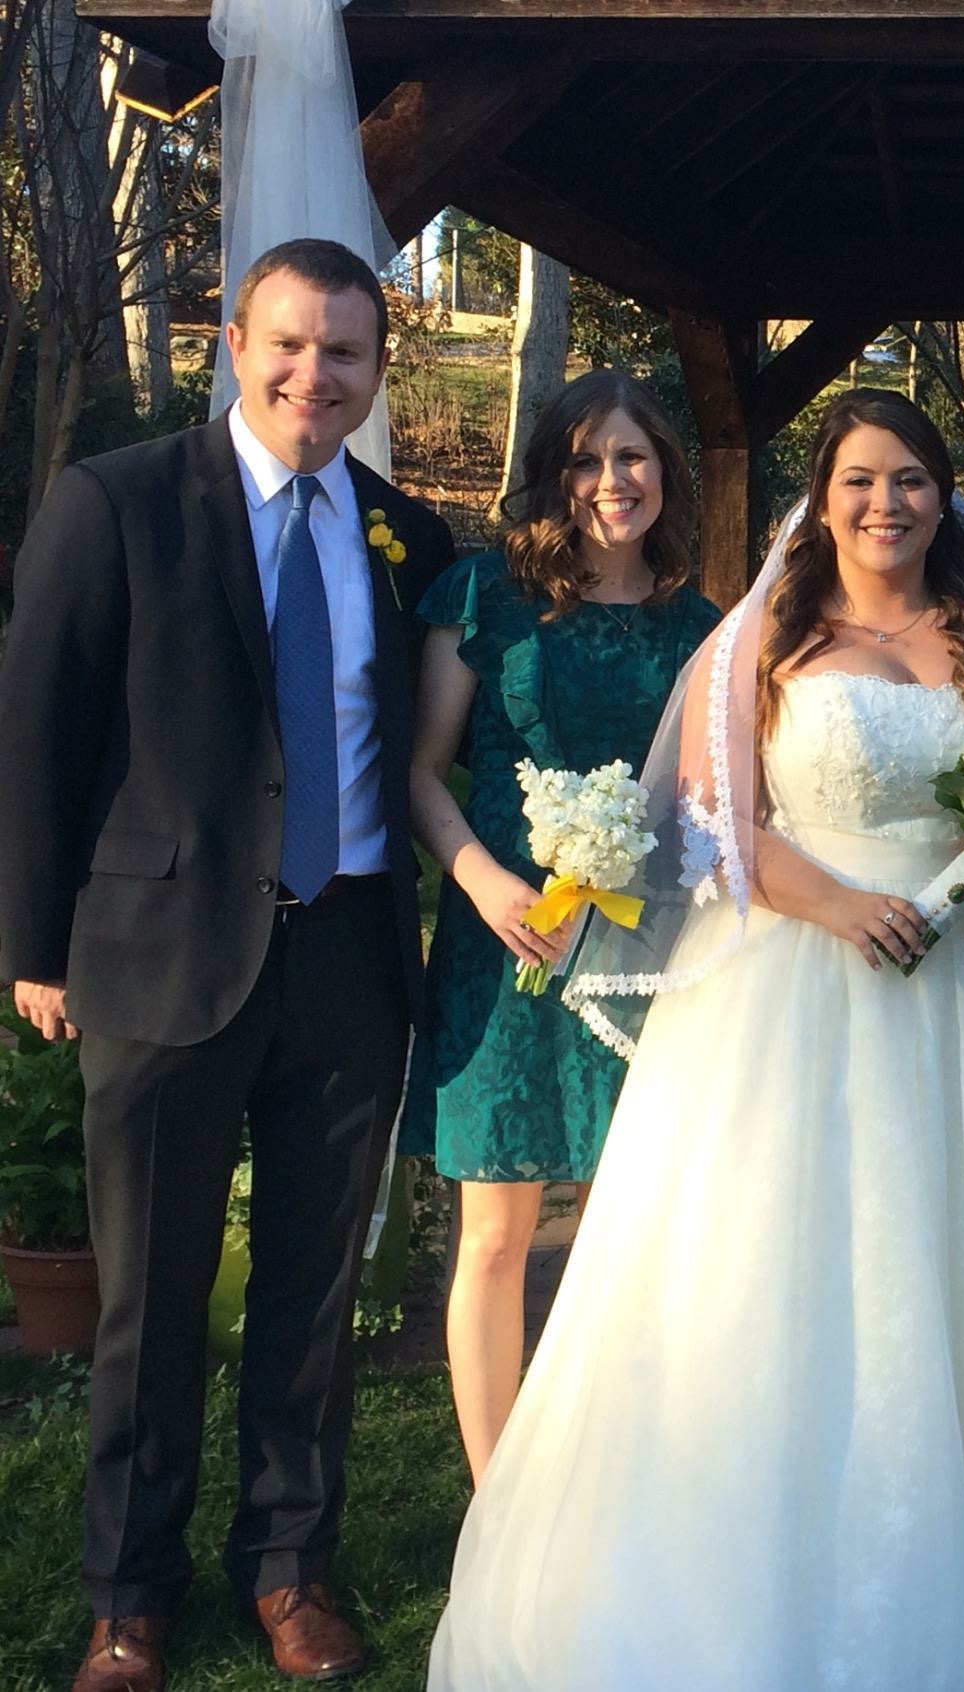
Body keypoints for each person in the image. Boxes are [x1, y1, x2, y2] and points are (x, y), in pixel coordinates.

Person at [424, 388, 964, 1690]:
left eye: (909, 480)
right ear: (819, 501)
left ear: (944, 497)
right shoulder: (766, 633)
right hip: (801, 977)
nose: (885, 503)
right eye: (859, 481)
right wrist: (837, 905)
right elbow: (714, 822)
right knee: (789, 1274)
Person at [0, 238, 455, 1692]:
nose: (315, 374)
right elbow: (38, 732)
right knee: (149, 1295)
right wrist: (32, 947)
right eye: (290, 344)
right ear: (236, 346)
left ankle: (290, 1566)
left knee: (311, 1293)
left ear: (375, 372)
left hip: (351, 959)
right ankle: (129, 1594)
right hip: (160, 958)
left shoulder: (407, 536)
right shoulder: (118, 502)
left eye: (346, 352)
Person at [400, 369, 719, 1484]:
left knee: (632, 1236)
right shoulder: (482, 597)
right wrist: (482, 880)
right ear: (555, 475)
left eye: (632, 457)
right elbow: (420, 770)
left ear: (665, 472)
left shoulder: (699, 628)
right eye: (586, 460)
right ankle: (496, 1496)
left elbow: (707, 803)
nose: (609, 481)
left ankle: (617, 1483)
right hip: (503, 951)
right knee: (493, 1237)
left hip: (641, 959)